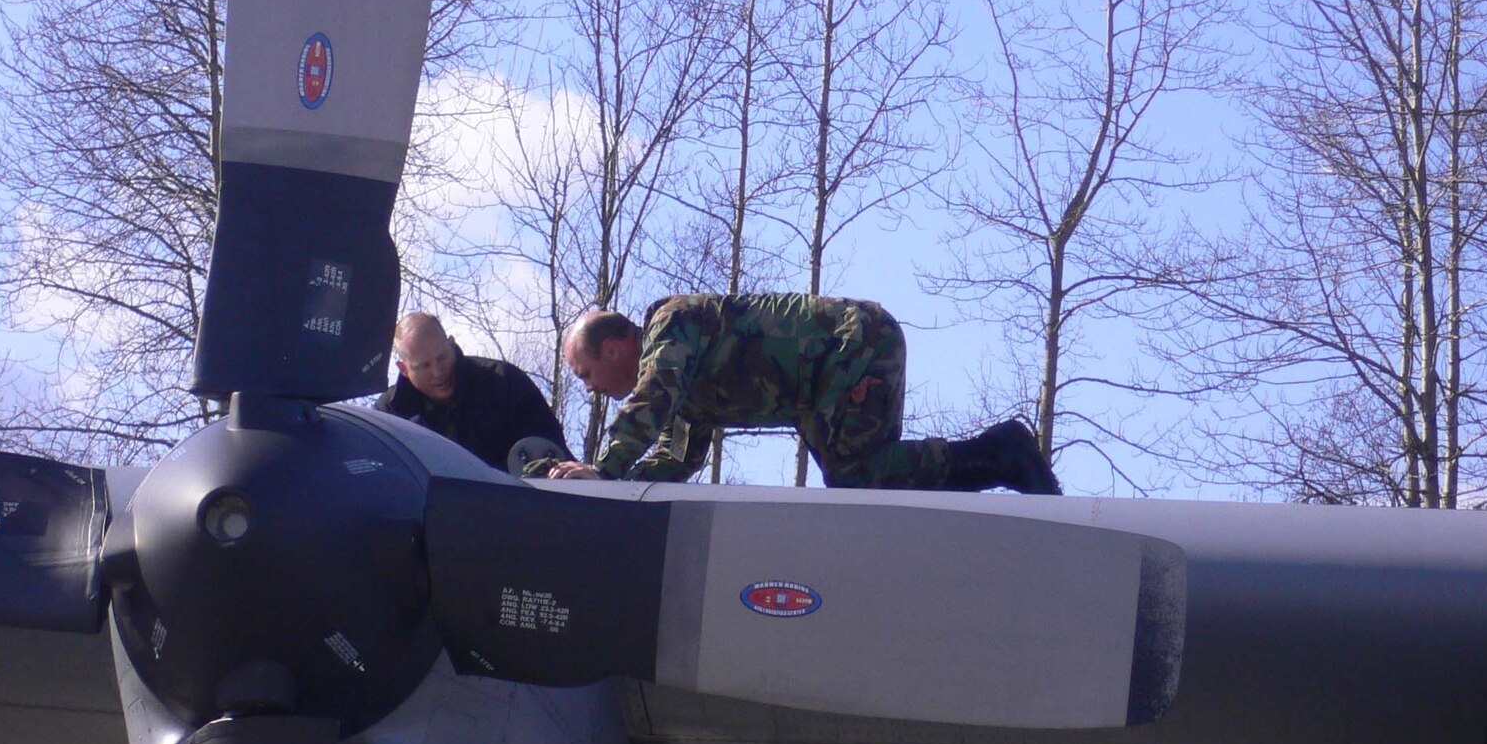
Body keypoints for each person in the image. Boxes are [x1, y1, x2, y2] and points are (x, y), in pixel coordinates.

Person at [542, 293, 1060, 494]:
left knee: (858, 475)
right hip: (820, 389)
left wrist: (603, 471)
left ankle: (1004, 453)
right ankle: (1001, 459)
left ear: (613, 349)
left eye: (585, 375)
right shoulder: (681, 387)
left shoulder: (670, 327)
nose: (591, 390)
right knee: (861, 480)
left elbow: (653, 395)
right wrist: (616, 490)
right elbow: (678, 460)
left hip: (853, 344)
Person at [376, 312, 568, 474]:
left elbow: (554, 456)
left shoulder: (504, 383)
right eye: (424, 366)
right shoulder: (390, 415)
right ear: (404, 369)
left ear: (452, 344)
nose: (438, 372)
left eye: (442, 357)